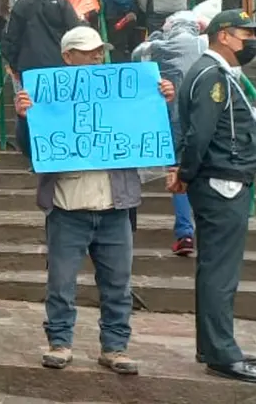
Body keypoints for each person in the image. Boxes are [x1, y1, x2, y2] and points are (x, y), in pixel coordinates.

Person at [14, 26, 173, 374]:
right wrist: (25, 118)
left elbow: (153, 131)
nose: (96, 57)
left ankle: (115, 348)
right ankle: (60, 342)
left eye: (100, 51)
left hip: (116, 207)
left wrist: (160, 100)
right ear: (68, 57)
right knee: (61, 282)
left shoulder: (126, 93)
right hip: (67, 206)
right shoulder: (46, 95)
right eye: (88, 52)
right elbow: (30, 150)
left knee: (118, 283)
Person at [168, 9, 256, 384]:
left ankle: (212, 345)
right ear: (224, 35)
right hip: (221, 184)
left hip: (219, 181)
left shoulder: (217, 73)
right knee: (221, 271)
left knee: (215, 268)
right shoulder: (212, 75)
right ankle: (222, 354)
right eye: (247, 34)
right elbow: (199, 134)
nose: (253, 42)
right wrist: (186, 173)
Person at [132, 12, 206, 256]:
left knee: (177, 172)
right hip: (204, 119)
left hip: (172, 118)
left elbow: (137, 63)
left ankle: (185, 233)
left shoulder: (156, 47)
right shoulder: (205, 45)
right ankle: (207, 229)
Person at [1, 0, 83, 89]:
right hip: (61, 65)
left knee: (32, 105)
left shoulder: (22, 3)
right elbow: (78, 35)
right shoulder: (63, 4)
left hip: (28, 66)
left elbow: (11, 38)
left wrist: (15, 65)